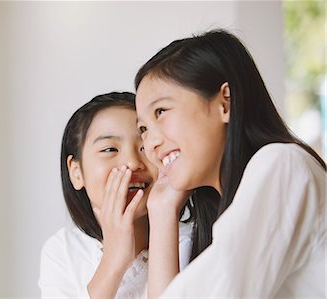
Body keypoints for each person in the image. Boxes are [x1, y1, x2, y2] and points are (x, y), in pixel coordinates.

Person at [134, 29, 326, 298]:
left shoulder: (282, 165)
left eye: (161, 111)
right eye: (143, 128)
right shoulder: (218, 217)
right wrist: (162, 209)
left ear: (225, 102)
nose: (150, 142)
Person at [38, 92, 193, 298]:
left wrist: (164, 213)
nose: (132, 162)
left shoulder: (194, 240)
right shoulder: (63, 251)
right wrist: (114, 260)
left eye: (143, 147)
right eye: (110, 149)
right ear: (76, 172)